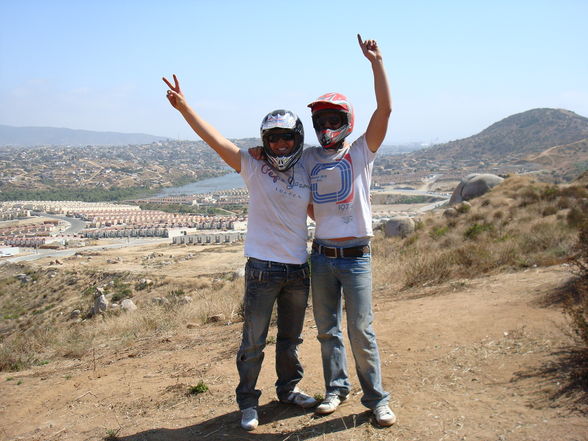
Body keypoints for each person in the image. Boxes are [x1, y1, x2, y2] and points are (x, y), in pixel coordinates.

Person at [162, 75, 316, 431]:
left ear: (297, 139)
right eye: (273, 138)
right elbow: (214, 140)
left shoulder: (307, 167)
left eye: (286, 137)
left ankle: (288, 390)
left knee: (291, 339)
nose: (279, 144)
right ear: (264, 141)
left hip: (297, 268)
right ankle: (248, 402)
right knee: (253, 341)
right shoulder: (252, 165)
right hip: (262, 267)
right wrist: (185, 107)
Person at [302, 34, 396, 427]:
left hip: (357, 256)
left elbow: (385, 110)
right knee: (327, 330)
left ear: (346, 123)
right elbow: (302, 199)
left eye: (333, 119)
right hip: (322, 255)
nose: (326, 126)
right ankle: (336, 390)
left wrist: (376, 62)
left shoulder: (359, 151)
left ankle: (376, 398)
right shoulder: (306, 159)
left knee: (360, 330)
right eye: (321, 120)